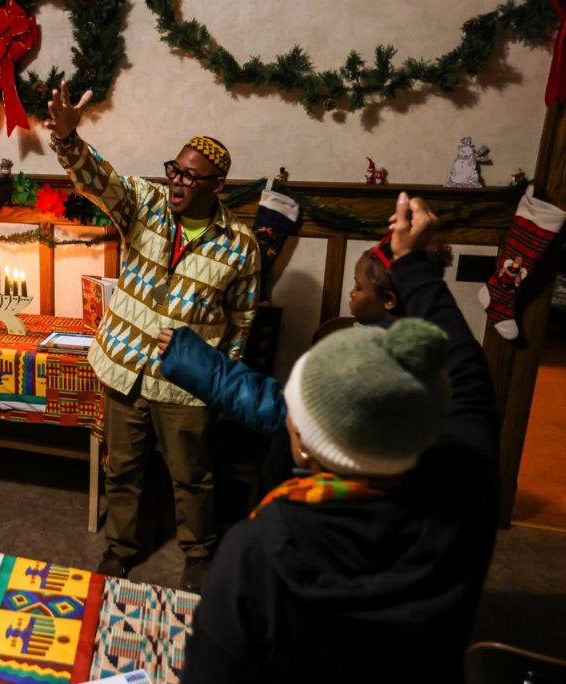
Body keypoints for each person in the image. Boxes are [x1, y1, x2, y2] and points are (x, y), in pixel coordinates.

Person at [160, 194, 499, 682]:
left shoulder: (262, 548)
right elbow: (465, 368)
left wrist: (406, 256)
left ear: (303, 444)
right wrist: (411, 261)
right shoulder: (469, 485)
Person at [45, 82, 261, 591]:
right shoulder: (146, 205)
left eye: (191, 176)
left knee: (192, 476)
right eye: (175, 170)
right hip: (123, 366)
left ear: (219, 185)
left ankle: (198, 554)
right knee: (121, 468)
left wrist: (221, 382)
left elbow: (241, 322)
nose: (178, 182)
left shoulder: (240, 245)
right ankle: (120, 548)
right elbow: (100, 181)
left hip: (186, 380)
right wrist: (70, 138)